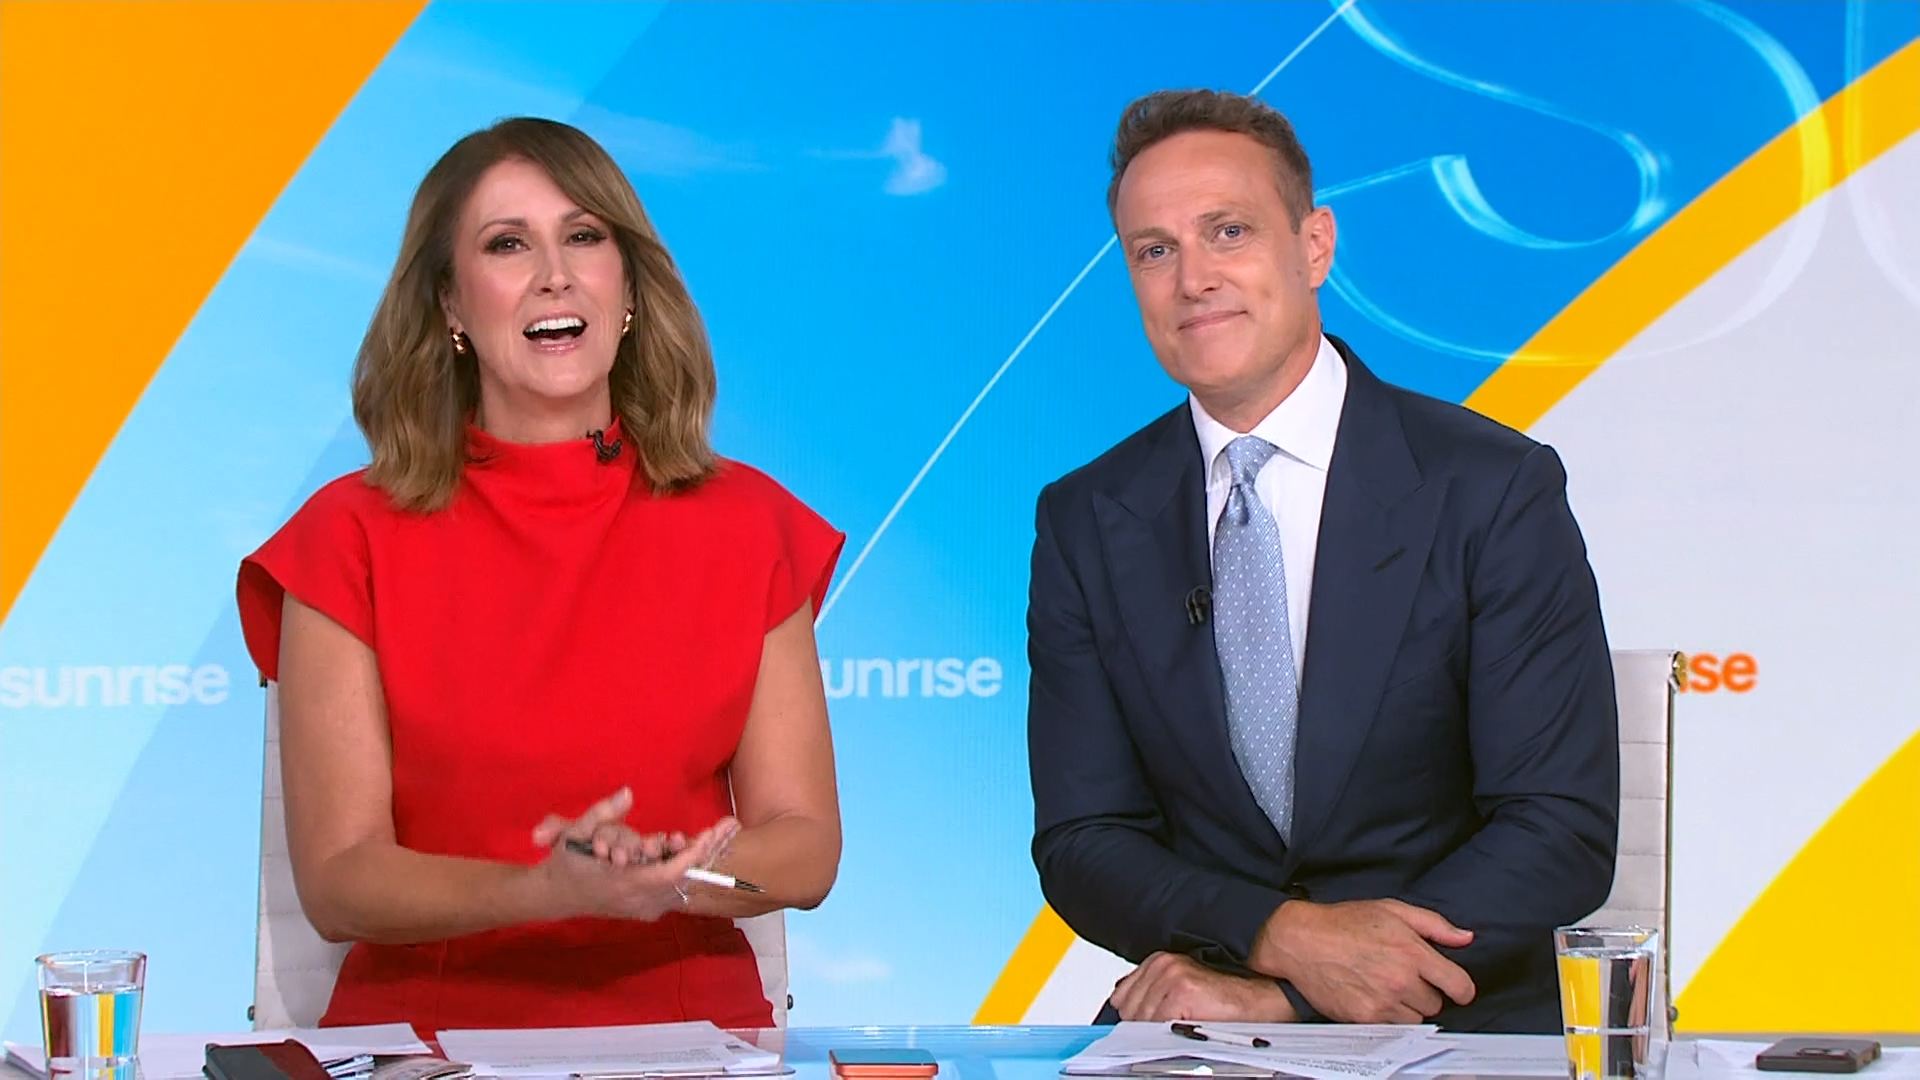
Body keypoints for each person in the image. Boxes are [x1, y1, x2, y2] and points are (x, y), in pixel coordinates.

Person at [1026, 90, 1620, 1033]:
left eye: (1228, 232)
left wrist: (1293, 998)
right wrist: (1276, 936)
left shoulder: (1491, 486)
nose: (1193, 279)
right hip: (1201, 1021)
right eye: (1154, 250)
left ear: (1314, 246)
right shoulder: (1086, 518)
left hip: (1457, 1026)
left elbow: (1556, 829)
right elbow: (1084, 840)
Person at [237, 117, 843, 1031]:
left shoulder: (748, 521)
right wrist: (547, 891)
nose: (555, 274)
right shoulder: (346, 534)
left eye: (584, 236)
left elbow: (805, 847)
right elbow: (339, 880)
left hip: (689, 1039)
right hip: (425, 1043)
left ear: (627, 289)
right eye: (508, 244)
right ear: (449, 303)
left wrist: (667, 879)